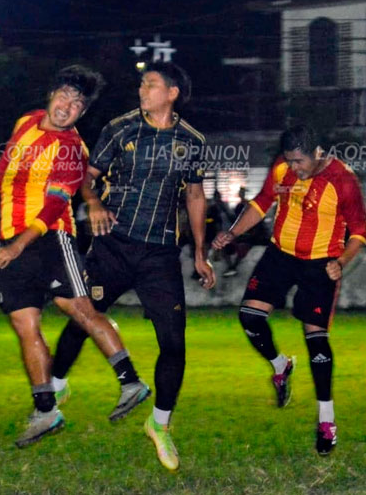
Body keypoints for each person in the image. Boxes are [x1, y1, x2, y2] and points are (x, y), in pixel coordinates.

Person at [0, 65, 149, 449]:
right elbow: (4, 164)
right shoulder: (26, 122)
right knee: (25, 326)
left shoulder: (72, 150)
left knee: (82, 312)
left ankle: (131, 382)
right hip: (11, 238)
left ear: (82, 114)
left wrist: (18, 246)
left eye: (78, 104)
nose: (69, 106)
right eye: (65, 96)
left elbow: (54, 206)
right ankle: (46, 410)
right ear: (51, 95)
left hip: (51, 239)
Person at [49, 61, 215, 472]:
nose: (143, 90)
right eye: (141, 83)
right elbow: (85, 175)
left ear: (172, 93)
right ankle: (53, 388)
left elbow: (195, 196)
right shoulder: (120, 127)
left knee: (174, 342)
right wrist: (93, 202)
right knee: (84, 319)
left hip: (160, 254)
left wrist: (199, 251)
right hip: (114, 246)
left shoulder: (192, 140)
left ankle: (159, 424)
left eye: (152, 84)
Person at [212, 124, 366, 456]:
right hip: (280, 254)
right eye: (289, 161)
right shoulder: (282, 169)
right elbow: (262, 202)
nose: (293, 168)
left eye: (299, 162)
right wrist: (233, 232)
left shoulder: (344, 181)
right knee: (249, 318)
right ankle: (281, 365)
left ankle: (327, 420)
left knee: (317, 341)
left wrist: (343, 260)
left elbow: (358, 231)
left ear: (318, 154)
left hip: (320, 262)